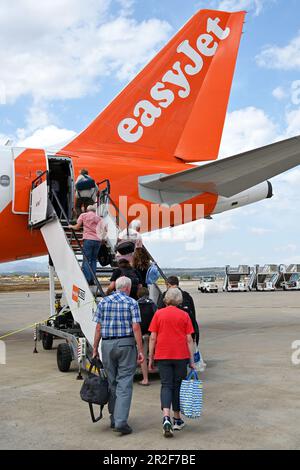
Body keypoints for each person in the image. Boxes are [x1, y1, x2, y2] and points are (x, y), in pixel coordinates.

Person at [93, 276, 144, 435]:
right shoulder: (131, 303)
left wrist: (95, 347)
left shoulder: (103, 302)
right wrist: (141, 350)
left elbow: (99, 328)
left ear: (116, 287)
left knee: (112, 381)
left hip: (107, 345)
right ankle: (121, 421)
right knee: (125, 382)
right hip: (126, 344)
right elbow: (136, 327)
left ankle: (114, 418)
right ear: (128, 288)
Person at [148, 288, 195, 438]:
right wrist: (192, 360)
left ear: (166, 299)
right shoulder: (184, 315)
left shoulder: (158, 314)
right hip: (180, 356)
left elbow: (153, 338)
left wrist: (151, 358)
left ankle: (166, 417)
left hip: (163, 355)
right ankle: (177, 419)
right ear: (179, 300)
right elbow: (189, 339)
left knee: (166, 385)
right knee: (177, 386)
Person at [158, 276, 199, 345]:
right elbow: (193, 315)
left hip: (168, 332)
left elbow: (159, 313)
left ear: (168, 285)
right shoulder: (187, 296)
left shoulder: (165, 295)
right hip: (185, 332)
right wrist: (194, 334)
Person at [68, 205, 102, 285]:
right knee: (93, 260)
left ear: (87, 209)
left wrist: (71, 226)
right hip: (97, 240)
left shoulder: (83, 215)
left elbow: (77, 227)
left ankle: (87, 279)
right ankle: (93, 279)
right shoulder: (99, 218)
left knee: (87, 260)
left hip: (88, 239)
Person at [137, 286, 157, 386]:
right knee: (151, 352)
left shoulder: (136, 304)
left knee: (142, 356)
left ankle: (145, 379)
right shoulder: (153, 304)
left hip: (140, 334)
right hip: (152, 333)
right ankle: (152, 364)